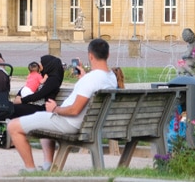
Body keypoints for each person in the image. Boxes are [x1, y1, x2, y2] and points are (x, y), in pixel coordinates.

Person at [7, 39, 117, 173]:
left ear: (90, 56)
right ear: (108, 55)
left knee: (13, 126)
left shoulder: (91, 79)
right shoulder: (111, 77)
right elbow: (94, 84)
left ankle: (30, 170)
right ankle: (48, 165)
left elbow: (74, 110)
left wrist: (55, 109)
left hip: (69, 123)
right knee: (44, 117)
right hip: (87, 123)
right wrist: (84, 77)